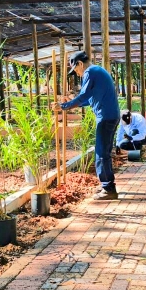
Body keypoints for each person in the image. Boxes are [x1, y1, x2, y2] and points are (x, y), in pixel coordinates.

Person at [59, 51, 120, 200]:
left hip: (105, 117)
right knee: (103, 151)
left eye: (76, 70)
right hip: (110, 116)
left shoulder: (90, 72)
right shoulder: (97, 71)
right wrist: (70, 104)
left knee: (101, 153)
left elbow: (84, 96)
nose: (78, 74)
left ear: (80, 64)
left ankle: (108, 188)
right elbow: (88, 100)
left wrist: (64, 106)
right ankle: (107, 185)